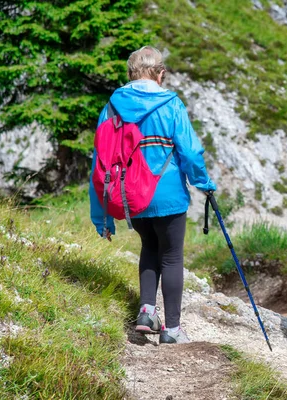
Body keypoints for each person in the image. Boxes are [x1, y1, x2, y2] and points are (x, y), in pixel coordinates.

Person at [89, 46, 217, 344]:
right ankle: (172, 330)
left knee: (149, 248)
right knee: (171, 257)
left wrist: (102, 215)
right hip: (168, 194)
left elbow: (100, 162)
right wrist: (204, 183)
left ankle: (146, 311)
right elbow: (190, 151)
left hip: (131, 196)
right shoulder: (171, 103)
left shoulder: (111, 107)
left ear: (129, 74)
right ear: (160, 74)